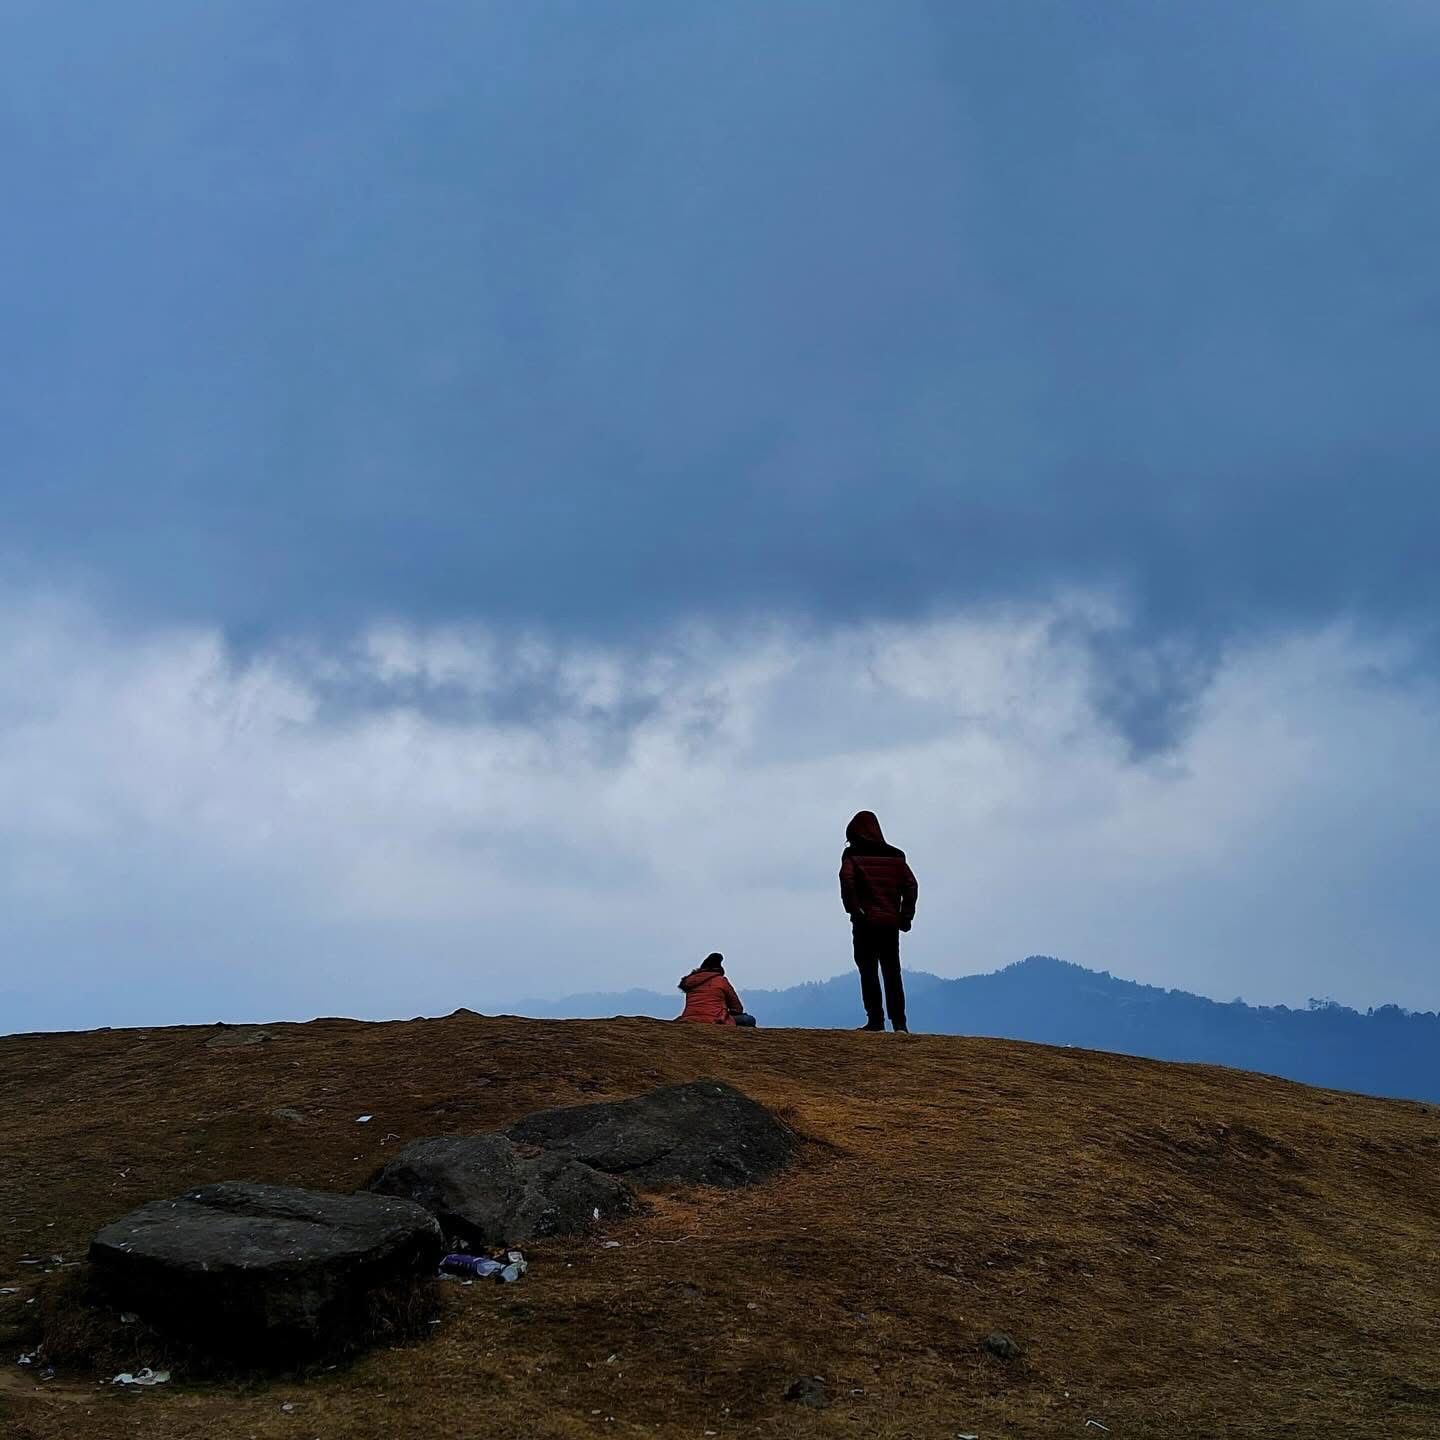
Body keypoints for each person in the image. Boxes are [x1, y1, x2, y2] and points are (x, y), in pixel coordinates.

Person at [840, 810, 918, 1033]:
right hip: (890, 923)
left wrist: (855, 910)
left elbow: (846, 879)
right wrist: (905, 916)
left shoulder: (852, 855)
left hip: (865, 923)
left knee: (868, 971)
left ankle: (876, 1020)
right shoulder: (896, 855)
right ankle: (900, 1023)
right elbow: (911, 886)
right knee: (892, 972)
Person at [676, 953, 753, 1026]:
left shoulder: (691, 981)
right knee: (749, 1019)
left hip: (689, 1018)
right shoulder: (721, 980)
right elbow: (737, 1007)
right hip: (715, 1018)